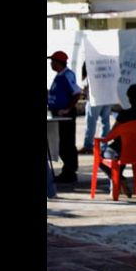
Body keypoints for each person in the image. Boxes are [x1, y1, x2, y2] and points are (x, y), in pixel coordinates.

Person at [47, 51, 82, 183]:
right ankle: (67, 171)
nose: (51, 64)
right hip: (57, 114)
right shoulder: (59, 76)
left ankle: (70, 172)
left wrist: (67, 109)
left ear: (58, 63)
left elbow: (77, 93)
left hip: (65, 116)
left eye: (53, 62)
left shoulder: (67, 75)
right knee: (61, 144)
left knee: (67, 144)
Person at [79, 62, 113, 155]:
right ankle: (103, 145)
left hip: (95, 96)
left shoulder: (91, 60)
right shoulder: (108, 61)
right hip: (108, 95)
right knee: (105, 122)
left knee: (91, 122)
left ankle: (88, 145)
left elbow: (83, 76)